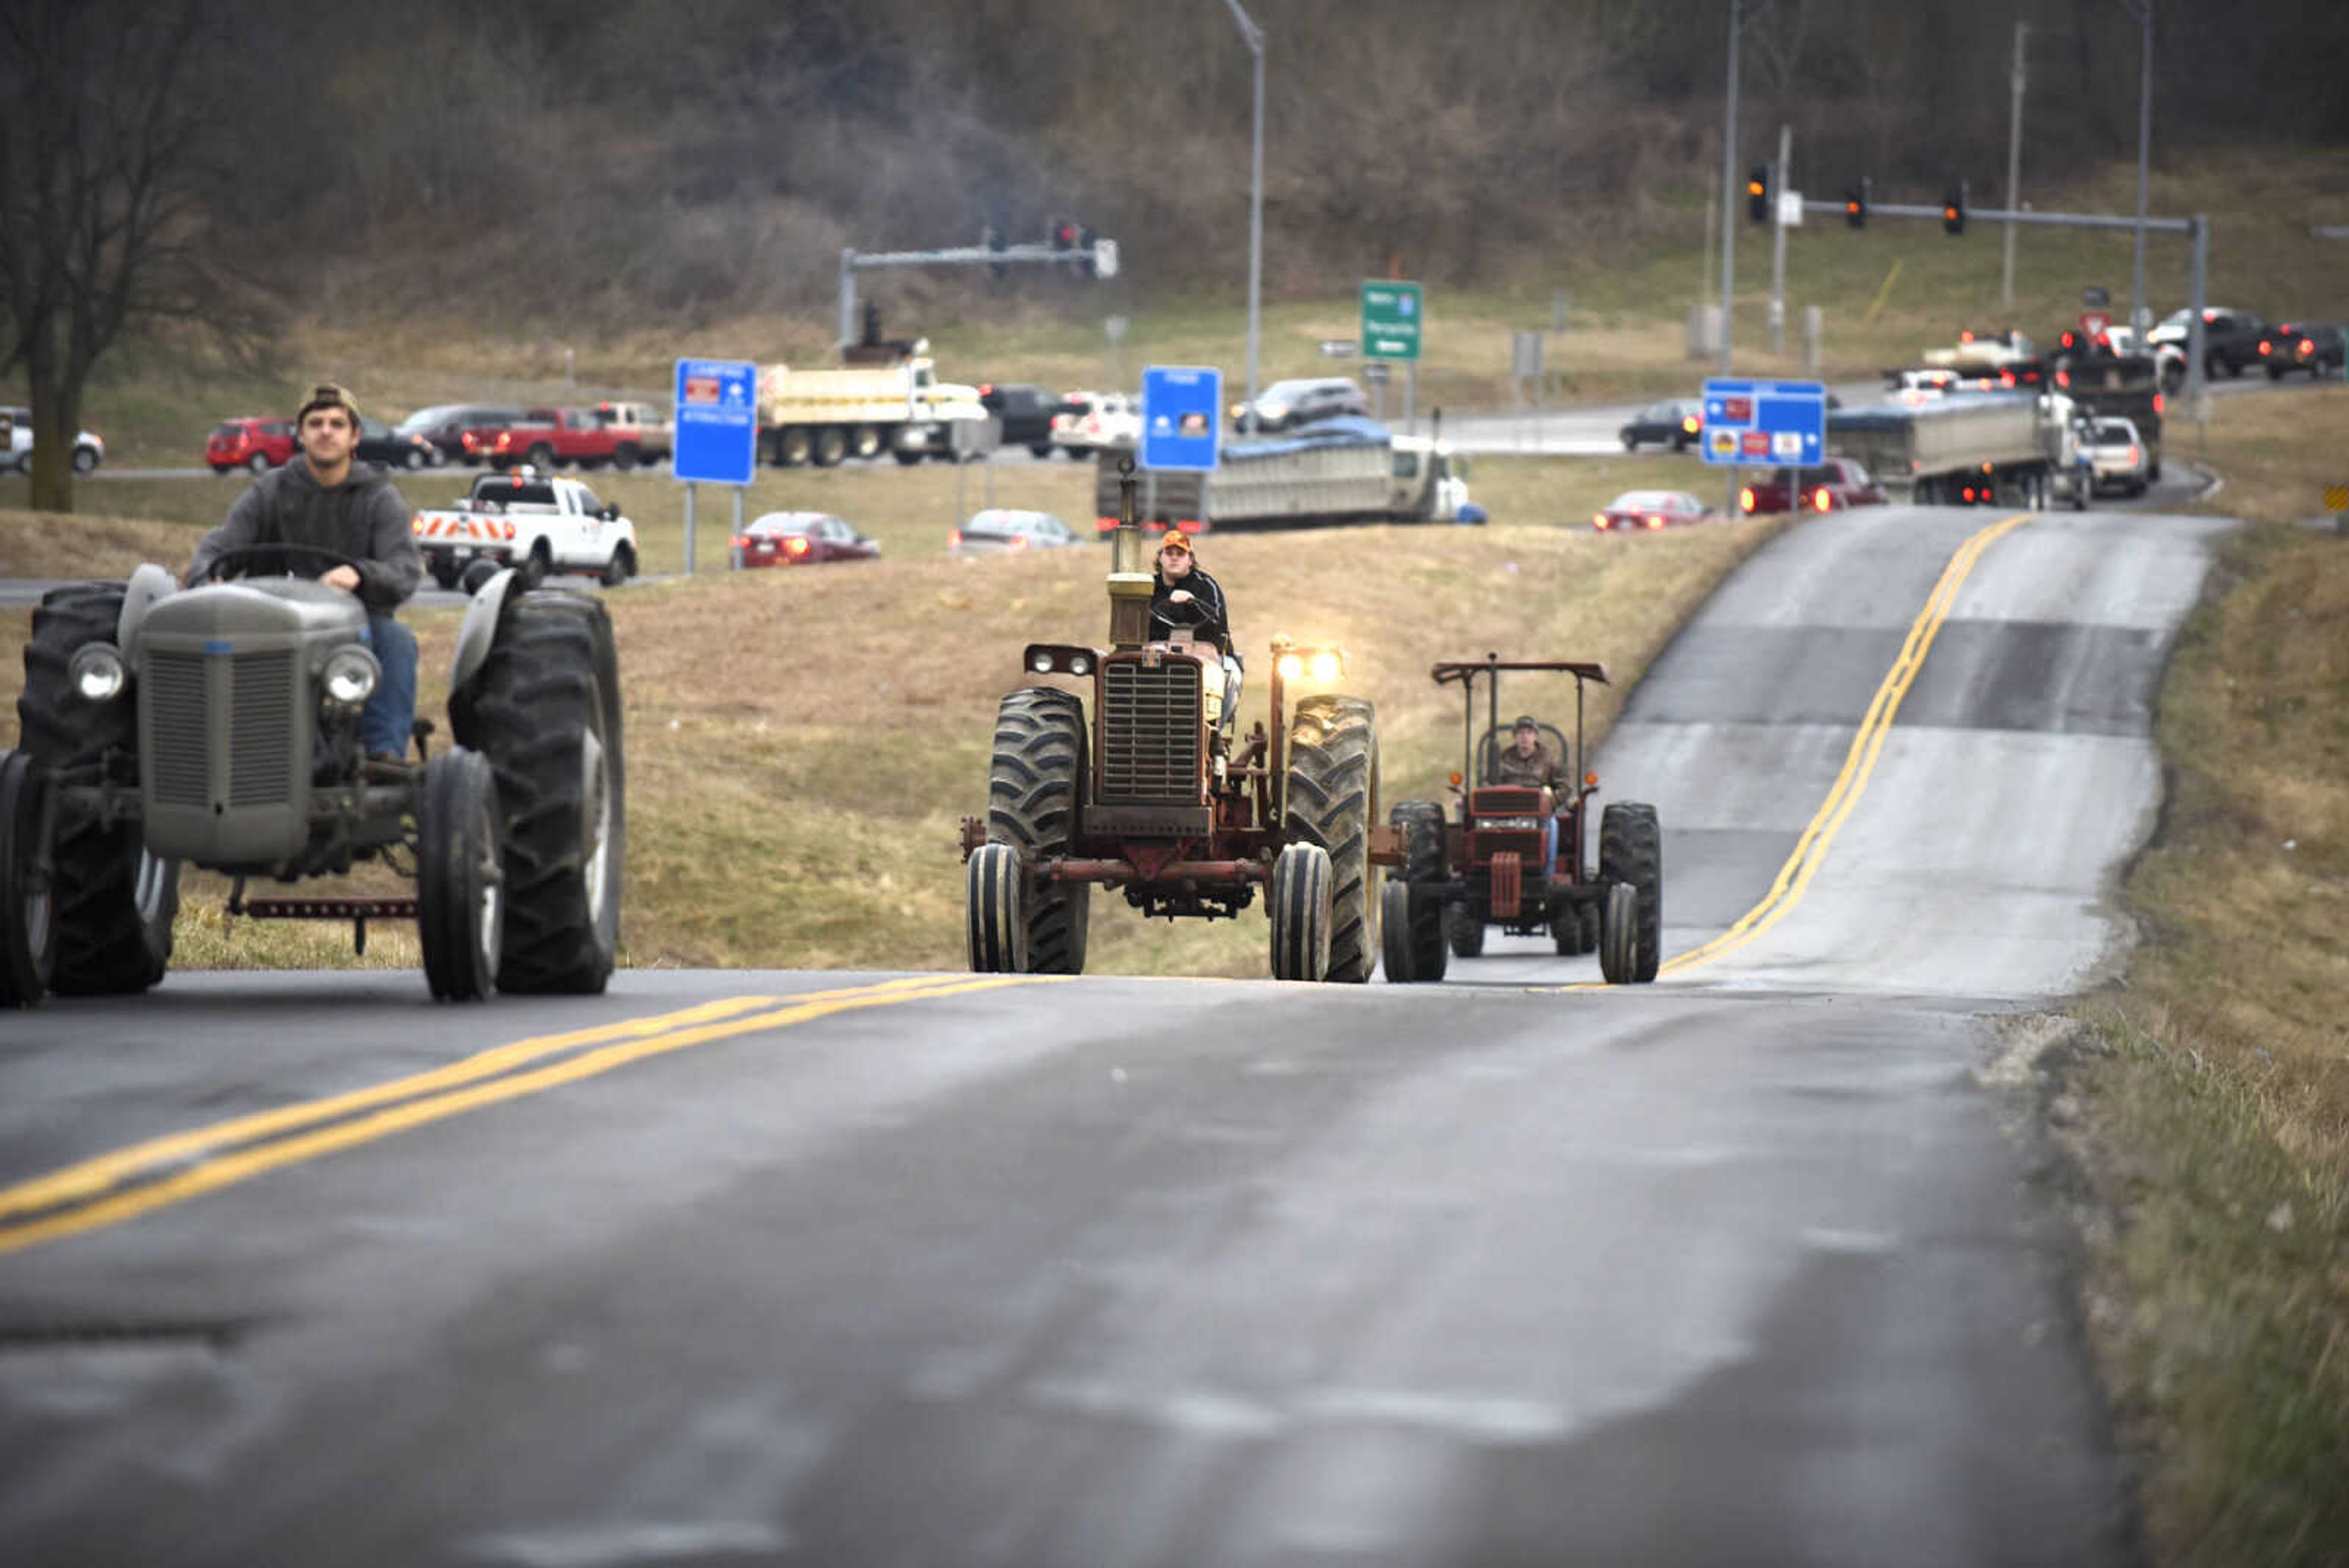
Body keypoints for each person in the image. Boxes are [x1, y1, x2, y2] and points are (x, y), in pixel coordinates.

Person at [188, 383, 424, 763]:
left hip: (355, 624)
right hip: (271, 620)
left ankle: (383, 755)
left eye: (336, 424)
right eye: (315, 423)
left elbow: (404, 569)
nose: (326, 431)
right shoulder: (271, 490)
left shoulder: (378, 497)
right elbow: (222, 545)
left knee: (397, 641)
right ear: (301, 435)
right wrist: (205, 579)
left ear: (355, 437)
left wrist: (361, 574)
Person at [1149, 532, 1242, 735]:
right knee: (1132, 670)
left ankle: (1213, 732)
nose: (1174, 557)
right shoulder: (1148, 587)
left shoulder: (1206, 586)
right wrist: (1166, 606)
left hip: (1206, 655)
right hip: (1157, 654)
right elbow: (1141, 622)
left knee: (1231, 673)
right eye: (1169, 552)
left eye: (1180, 554)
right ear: (1160, 558)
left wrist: (1191, 602)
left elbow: (1216, 623)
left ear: (1190, 560)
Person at [1490, 715, 1568, 864]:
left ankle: (1547, 870)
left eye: (1529, 733)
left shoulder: (1549, 759)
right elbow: (1489, 783)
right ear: (1515, 737)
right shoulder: (1504, 759)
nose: (1524, 737)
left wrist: (1551, 801)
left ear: (1536, 736)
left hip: (1538, 813)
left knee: (1552, 826)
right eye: (1520, 733)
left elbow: (1564, 787)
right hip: (1507, 812)